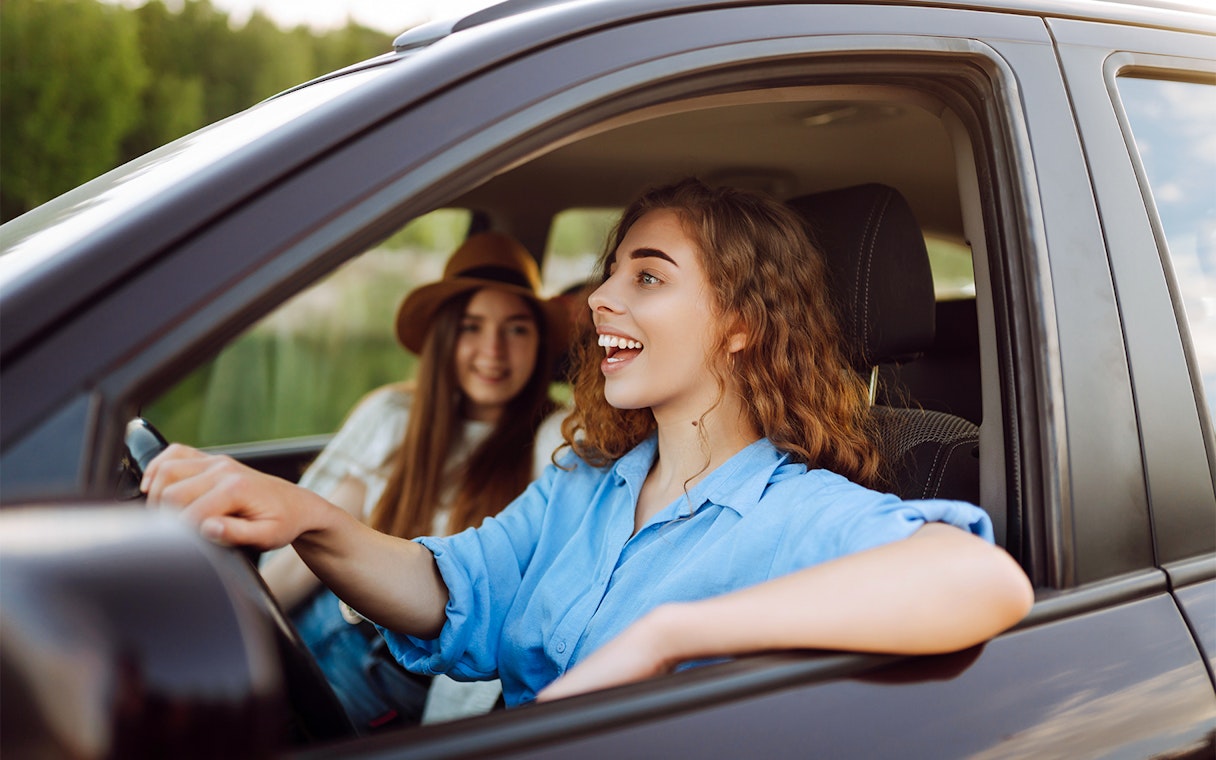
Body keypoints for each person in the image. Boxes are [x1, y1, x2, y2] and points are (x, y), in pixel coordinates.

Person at [143, 178, 1033, 709]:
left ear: (741, 325)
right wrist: (305, 516)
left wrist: (671, 636)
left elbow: (982, 580)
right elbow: (452, 590)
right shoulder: (584, 483)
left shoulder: (795, 511)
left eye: (647, 277)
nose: (602, 298)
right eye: (610, 273)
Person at [258, 232, 570, 729]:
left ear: (540, 345)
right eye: (472, 327)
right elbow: (308, 549)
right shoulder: (394, 415)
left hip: (393, 672)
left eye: (516, 330)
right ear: (445, 335)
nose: (493, 350)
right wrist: (242, 616)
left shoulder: (553, 438)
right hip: (319, 621)